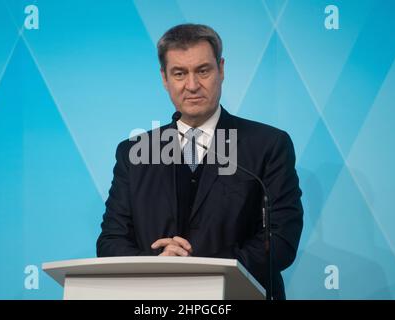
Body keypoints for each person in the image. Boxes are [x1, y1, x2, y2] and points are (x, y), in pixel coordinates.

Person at [96, 24, 303, 300]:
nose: (192, 85)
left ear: (221, 69)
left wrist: (199, 268)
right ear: (164, 78)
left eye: (203, 71)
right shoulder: (133, 153)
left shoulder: (268, 145)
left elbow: (280, 240)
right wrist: (158, 265)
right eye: (179, 73)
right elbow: (111, 241)